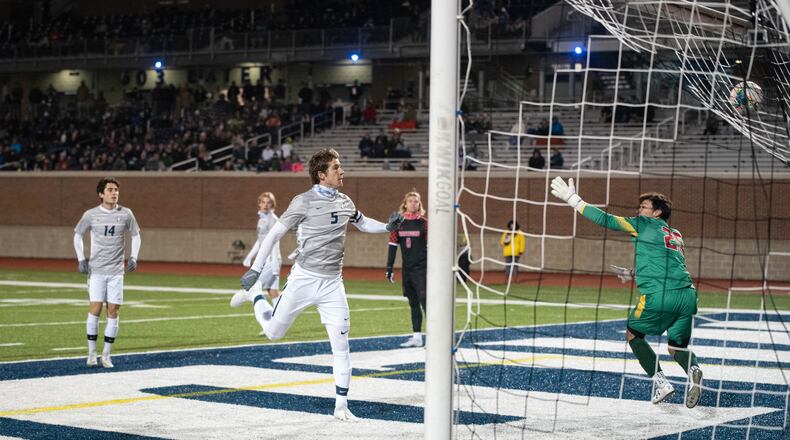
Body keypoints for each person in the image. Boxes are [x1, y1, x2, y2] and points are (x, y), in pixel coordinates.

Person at [232, 148, 404, 421]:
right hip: (303, 278)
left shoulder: (345, 200)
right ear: (322, 175)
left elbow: (362, 222)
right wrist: (255, 270)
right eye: (336, 167)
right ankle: (255, 295)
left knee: (342, 346)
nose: (342, 171)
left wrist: (387, 227)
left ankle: (341, 406)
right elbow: (274, 235)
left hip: (333, 283)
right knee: (274, 333)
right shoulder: (303, 201)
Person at [550, 177, 703, 408]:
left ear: (657, 212)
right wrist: (633, 273)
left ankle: (662, 383)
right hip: (688, 296)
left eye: (644, 207)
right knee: (676, 347)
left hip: (660, 295)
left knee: (633, 335)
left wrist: (573, 199)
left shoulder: (643, 224)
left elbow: (605, 219)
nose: (639, 210)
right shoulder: (676, 234)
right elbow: (668, 264)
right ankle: (694, 370)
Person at [74, 177, 141, 369]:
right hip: (96, 271)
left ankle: (106, 355)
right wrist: (81, 258)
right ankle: (91, 353)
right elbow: (78, 235)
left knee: (114, 310)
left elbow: (136, 235)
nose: (114, 193)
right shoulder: (91, 215)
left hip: (116, 272)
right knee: (95, 309)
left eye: (116, 190)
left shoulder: (126, 213)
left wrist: (134, 257)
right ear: (101, 194)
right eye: (110, 190)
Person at [386, 191, 428, 348]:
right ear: (405, 203)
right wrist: (389, 268)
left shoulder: (424, 223)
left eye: (416, 201)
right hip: (407, 270)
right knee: (413, 303)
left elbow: (431, 247)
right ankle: (417, 338)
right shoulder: (399, 223)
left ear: (419, 204)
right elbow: (392, 246)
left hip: (422, 270)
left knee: (426, 304)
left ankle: (436, 338)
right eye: (410, 201)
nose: (413, 203)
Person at [238, 192, 282, 302]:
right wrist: (249, 256)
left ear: (273, 205)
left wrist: (275, 262)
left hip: (271, 259)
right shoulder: (262, 219)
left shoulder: (273, 219)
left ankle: (239, 299)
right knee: (272, 290)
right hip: (266, 258)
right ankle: (280, 316)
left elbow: (275, 242)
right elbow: (261, 241)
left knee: (253, 284)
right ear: (259, 204)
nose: (265, 205)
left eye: (269, 203)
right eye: (263, 202)